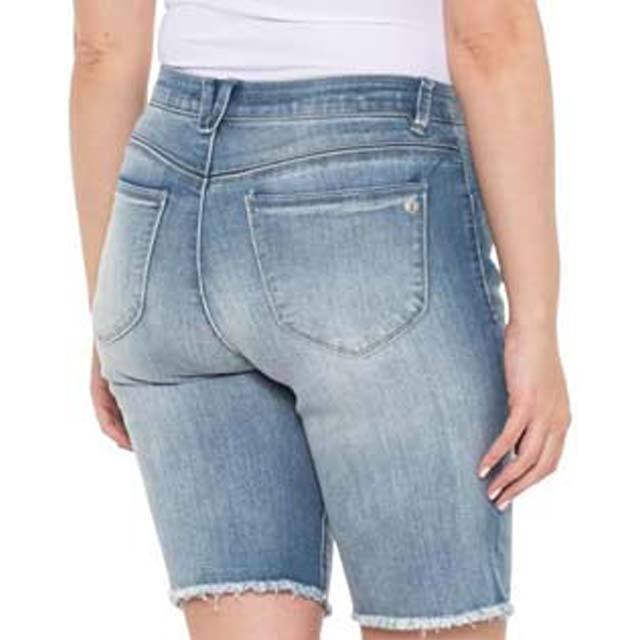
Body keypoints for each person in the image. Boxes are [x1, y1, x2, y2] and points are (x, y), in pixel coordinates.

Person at [70, 1, 571, 639]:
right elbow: (491, 35)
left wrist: (109, 305)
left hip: (165, 225)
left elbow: (101, 51)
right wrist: (536, 319)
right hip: (369, 201)